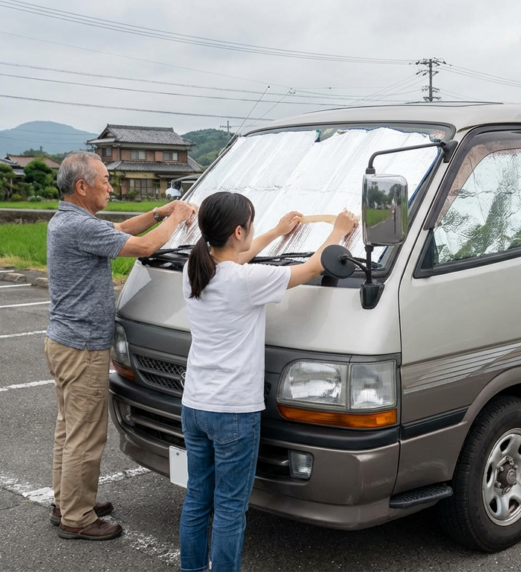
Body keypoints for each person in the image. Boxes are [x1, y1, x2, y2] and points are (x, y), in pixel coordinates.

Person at [179, 192, 357, 572]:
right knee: (229, 507)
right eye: (254, 224)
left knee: (197, 498)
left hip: (194, 404)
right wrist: (339, 231)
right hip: (233, 413)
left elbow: (237, 256)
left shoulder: (195, 269)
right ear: (239, 230)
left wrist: (277, 232)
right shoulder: (244, 281)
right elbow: (311, 268)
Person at [46, 151, 196, 540]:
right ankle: (77, 519)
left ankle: (67, 501)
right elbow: (144, 248)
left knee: (69, 428)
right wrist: (178, 218)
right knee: (85, 433)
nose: (111, 187)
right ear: (83, 187)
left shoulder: (70, 220)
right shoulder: (79, 226)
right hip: (82, 346)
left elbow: (122, 230)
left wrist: (159, 213)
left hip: (65, 342)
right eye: (105, 180)